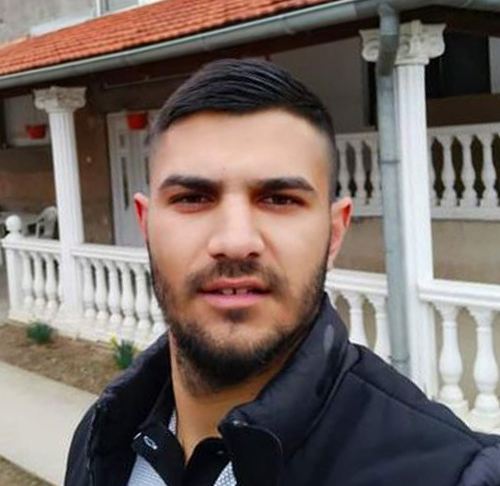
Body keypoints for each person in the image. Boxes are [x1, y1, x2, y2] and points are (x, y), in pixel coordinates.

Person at [65, 59, 500, 486]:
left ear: (334, 233)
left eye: (279, 199)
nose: (235, 241)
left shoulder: (454, 475)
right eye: (192, 198)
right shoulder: (101, 438)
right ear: (146, 227)